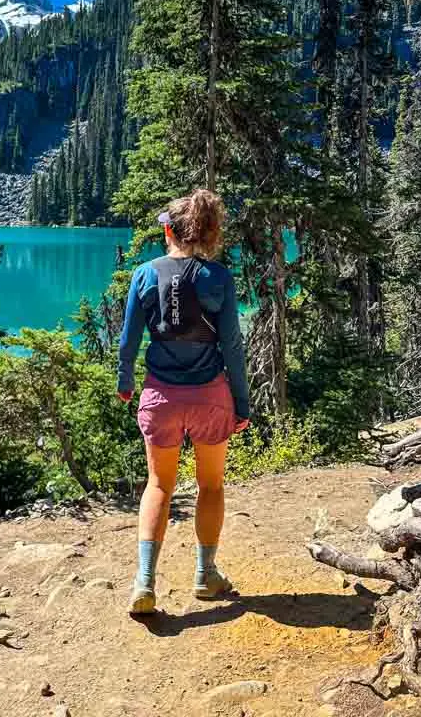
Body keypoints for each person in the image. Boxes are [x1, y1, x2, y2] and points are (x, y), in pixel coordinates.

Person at [117, 189, 250, 615]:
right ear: (209, 234)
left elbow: (129, 340)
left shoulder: (143, 274)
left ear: (169, 231)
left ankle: (144, 581)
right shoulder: (220, 279)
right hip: (210, 396)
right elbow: (231, 345)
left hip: (161, 396)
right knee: (210, 485)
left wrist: (125, 382)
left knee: (159, 485)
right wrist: (241, 402)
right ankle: (205, 575)